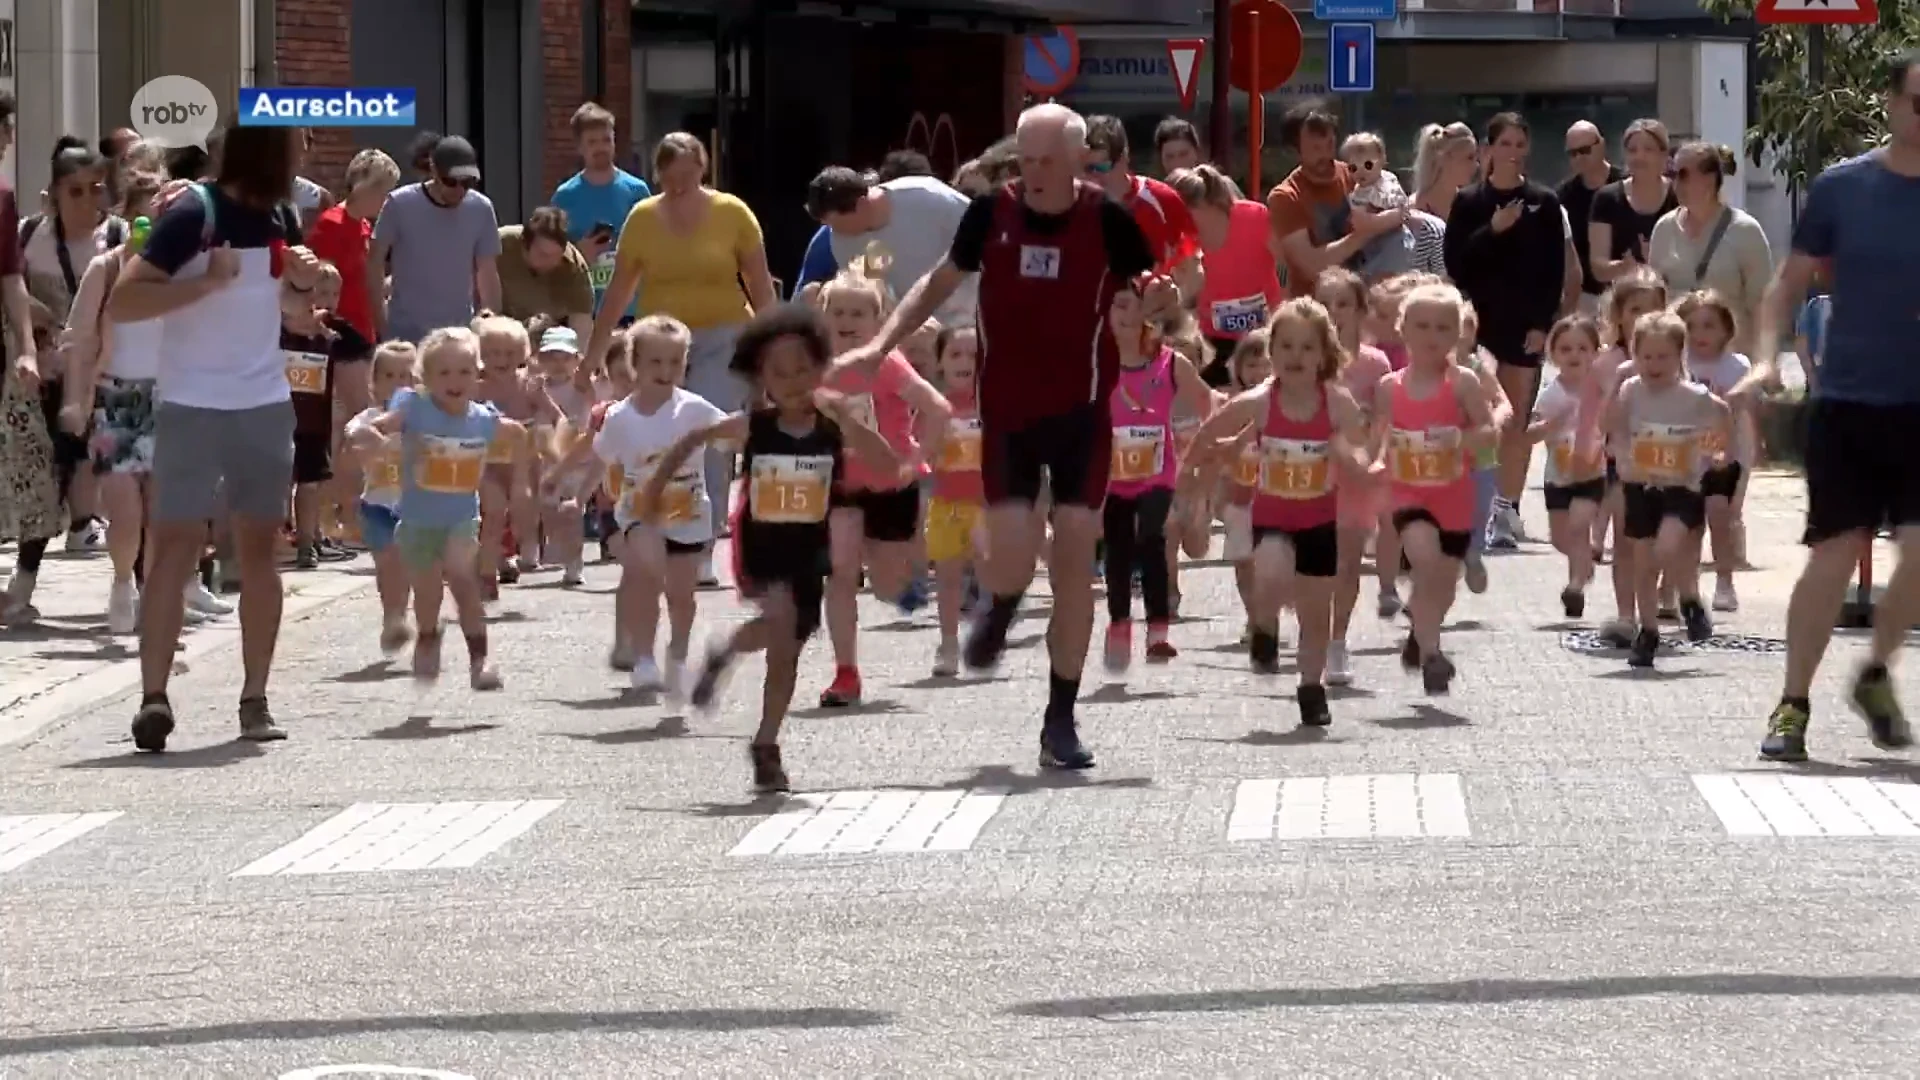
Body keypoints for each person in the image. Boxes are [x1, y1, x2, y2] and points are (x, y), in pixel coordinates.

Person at [829, 103, 1173, 770]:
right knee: (1011, 555)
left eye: (1050, 159)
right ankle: (1002, 604)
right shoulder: (990, 215)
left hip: (1082, 414)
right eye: (1027, 159)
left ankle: (1060, 719)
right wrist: (879, 346)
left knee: (1075, 559)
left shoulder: (1106, 220)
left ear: (1081, 160)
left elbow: (1162, 287)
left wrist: (1164, 298)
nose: (1036, 172)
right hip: (1010, 416)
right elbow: (936, 285)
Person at [104, 120, 323, 752]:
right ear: (267, 153)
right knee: (173, 548)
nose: (302, 158)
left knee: (257, 553)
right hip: (191, 404)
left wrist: (308, 287)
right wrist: (206, 280)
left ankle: (254, 699)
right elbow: (124, 300)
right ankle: (153, 699)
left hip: (263, 403)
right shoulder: (191, 213)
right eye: (294, 148)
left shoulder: (282, 217)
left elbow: (284, 307)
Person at [1736, 50, 1920, 763]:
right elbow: (1786, 286)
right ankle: (1793, 703)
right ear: (1892, 102)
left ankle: (1874, 672)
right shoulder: (1845, 189)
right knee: (1834, 554)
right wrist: (1762, 356)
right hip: (1849, 403)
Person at [585, 132, 780, 585]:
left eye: (687, 178)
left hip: (724, 336)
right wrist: (591, 356)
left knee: (703, 432)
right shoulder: (643, 218)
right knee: (659, 434)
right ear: (659, 176)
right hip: (660, 342)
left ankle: (701, 546)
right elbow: (618, 292)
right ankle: (657, 533)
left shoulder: (733, 213)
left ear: (702, 170)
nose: (678, 187)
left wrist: (774, 345)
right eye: (669, 179)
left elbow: (760, 283)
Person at [1443, 113, 1567, 552]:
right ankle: (1468, 504)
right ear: (1487, 150)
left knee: (1515, 418)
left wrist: (1542, 325)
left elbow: (1555, 271)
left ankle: (1506, 508)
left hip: (1524, 325)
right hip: (1478, 326)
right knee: (1478, 417)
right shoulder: (1469, 202)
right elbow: (1457, 265)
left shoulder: (1544, 202)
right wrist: (1492, 231)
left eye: (1520, 143)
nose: (1513, 151)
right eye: (1505, 143)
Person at [0, 90, 59, 624]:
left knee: (26, 461)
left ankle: (16, 584)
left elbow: (10, 279)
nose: (9, 139)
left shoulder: (1, 196)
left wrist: (23, 348)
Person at [367, 136, 502, 344]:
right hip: (405, 335)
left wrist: (491, 321)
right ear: (434, 170)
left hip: (459, 337)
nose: (459, 190)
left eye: (467, 183)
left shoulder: (481, 209)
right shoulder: (399, 203)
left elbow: (487, 271)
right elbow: (374, 262)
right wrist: (381, 324)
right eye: (451, 182)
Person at [806, 163, 974, 327]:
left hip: (975, 312)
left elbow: (985, 231)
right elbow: (872, 296)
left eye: (836, 224)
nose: (833, 231)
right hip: (919, 333)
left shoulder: (926, 197)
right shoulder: (842, 243)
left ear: (862, 204)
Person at [1268, 102, 1406, 300]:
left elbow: (1400, 211)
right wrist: (1366, 232)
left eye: (1330, 144)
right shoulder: (1286, 197)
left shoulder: (1356, 174)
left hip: (1369, 299)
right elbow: (1311, 265)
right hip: (1318, 307)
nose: (1326, 154)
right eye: (1316, 148)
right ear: (1295, 151)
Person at [1646, 142, 1773, 355]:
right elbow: (1654, 301)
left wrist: (1764, 362)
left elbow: (1763, 306)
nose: (1675, 183)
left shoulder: (1745, 230)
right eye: (1672, 174)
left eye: (1683, 174)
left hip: (1732, 359)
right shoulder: (1664, 228)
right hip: (1678, 361)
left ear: (1710, 179)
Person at [1169, 163, 1280, 384]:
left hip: (1265, 337)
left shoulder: (1254, 217)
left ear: (1202, 204)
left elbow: (1289, 263)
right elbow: (1183, 298)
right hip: (1211, 343)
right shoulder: (1182, 241)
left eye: (1183, 214)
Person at [551, 102, 651, 322]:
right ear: (580, 147)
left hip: (631, 308)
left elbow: (653, 246)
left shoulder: (637, 190)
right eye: (592, 142)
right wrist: (578, 253)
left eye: (607, 140)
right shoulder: (565, 196)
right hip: (584, 308)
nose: (601, 148)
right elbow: (550, 256)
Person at [1085, 116, 1200, 275]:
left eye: (1103, 166)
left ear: (1124, 157)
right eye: (1088, 168)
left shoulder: (1162, 199)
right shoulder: (1074, 206)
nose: (1095, 176)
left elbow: (1193, 264)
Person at [1587, 119, 1676, 296]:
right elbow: (1598, 268)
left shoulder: (1679, 196)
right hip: (1622, 302)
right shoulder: (1606, 198)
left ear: (1664, 155)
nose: (1639, 157)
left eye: (1648, 150)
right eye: (1632, 150)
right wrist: (1627, 266)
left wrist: (1655, 260)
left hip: (1670, 301)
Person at [496, 205, 595, 337]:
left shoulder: (573, 267)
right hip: (500, 328)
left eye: (557, 256)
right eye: (543, 255)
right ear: (525, 245)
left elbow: (582, 324)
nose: (552, 262)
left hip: (549, 336)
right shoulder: (500, 245)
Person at [1557, 121, 1624, 314]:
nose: (1579, 158)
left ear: (1601, 145)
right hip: (1583, 297)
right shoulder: (1563, 196)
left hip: (1624, 291)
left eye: (1585, 150)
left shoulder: (1625, 185)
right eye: (1573, 153)